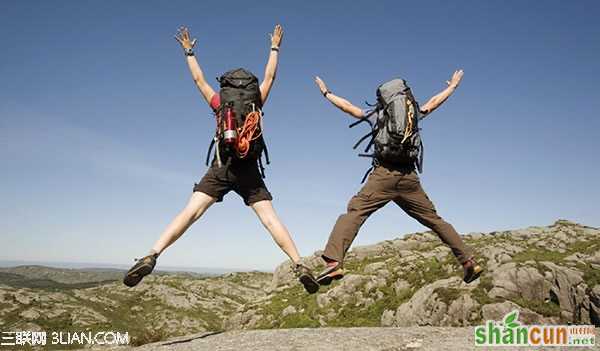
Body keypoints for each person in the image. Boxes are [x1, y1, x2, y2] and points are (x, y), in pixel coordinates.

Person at [123, 25, 319, 294]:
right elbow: (270, 76)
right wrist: (275, 47)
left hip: (222, 166)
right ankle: (299, 264)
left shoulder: (219, 103)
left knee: (190, 212)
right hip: (249, 168)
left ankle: (152, 254)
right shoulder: (256, 101)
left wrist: (189, 51)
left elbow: (199, 81)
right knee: (270, 219)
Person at [313, 70, 483, 285]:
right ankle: (468, 261)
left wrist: (326, 93)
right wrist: (452, 87)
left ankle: (334, 263)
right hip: (410, 178)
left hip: (383, 175)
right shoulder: (414, 115)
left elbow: (348, 107)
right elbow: (434, 101)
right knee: (434, 220)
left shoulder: (379, 116)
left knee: (355, 212)